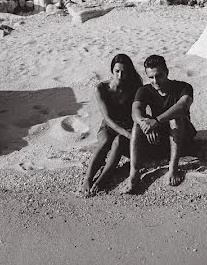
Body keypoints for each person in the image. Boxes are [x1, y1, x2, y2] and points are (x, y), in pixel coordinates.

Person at [123, 54, 196, 193]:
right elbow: (135, 111)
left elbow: (183, 105)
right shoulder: (144, 90)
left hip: (183, 136)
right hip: (160, 138)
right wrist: (146, 125)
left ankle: (173, 168)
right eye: (151, 77)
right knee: (138, 123)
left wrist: (155, 121)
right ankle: (134, 173)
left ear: (167, 72)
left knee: (174, 117)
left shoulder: (183, 87)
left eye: (159, 76)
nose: (155, 81)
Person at [82, 53, 142, 196]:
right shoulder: (101, 88)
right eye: (117, 71)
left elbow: (138, 112)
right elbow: (108, 119)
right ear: (112, 71)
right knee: (105, 141)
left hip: (128, 125)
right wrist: (126, 133)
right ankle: (88, 178)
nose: (120, 75)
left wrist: (131, 132)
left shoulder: (134, 87)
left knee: (119, 142)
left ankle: (103, 178)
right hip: (109, 126)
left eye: (124, 72)